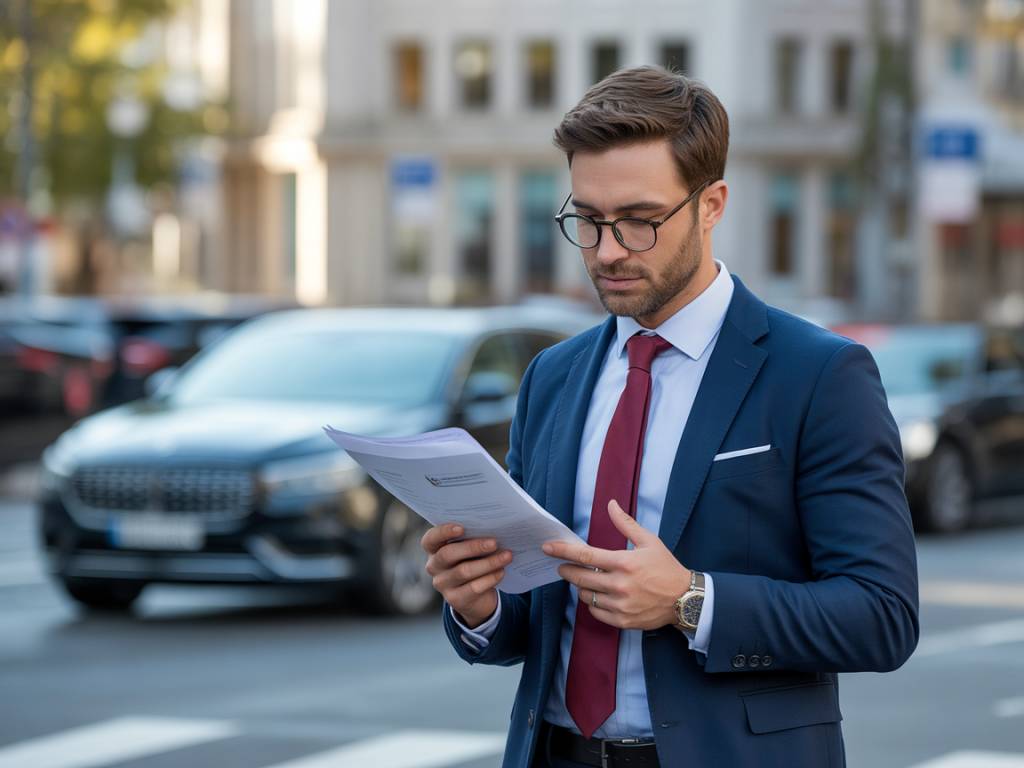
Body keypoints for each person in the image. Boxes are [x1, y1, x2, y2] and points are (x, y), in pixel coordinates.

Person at [421, 65, 919, 768]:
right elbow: (532, 618)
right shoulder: (553, 378)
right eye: (587, 221)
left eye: (639, 221)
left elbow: (882, 617)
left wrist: (690, 600)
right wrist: (480, 605)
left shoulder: (819, 376)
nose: (608, 250)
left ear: (711, 204)